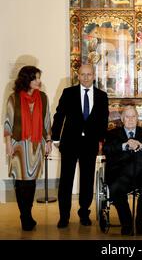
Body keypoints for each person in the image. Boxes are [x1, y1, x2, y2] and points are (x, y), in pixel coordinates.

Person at [51, 64, 109, 228]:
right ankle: (64, 216)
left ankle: (84, 213)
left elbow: (103, 121)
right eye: (82, 74)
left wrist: (101, 141)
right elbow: (59, 115)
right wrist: (56, 138)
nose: (85, 77)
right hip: (69, 142)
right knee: (66, 180)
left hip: (90, 144)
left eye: (89, 74)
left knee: (87, 179)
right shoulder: (68, 93)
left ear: (93, 75)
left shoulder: (101, 96)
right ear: (78, 75)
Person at [4, 66, 52, 230]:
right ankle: (24, 216)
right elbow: (8, 122)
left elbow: (47, 121)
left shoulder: (43, 97)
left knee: (31, 182)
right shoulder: (14, 98)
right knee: (20, 181)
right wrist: (8, 144)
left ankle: (27, 214)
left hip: (36, 145)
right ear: (27, 80)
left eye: (39, 78)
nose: (39, 81)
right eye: (36, 78)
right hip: (18, 145)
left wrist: (49, 141)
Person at [103, 105, 142, 235]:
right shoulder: (113, 133)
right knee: (116, 185)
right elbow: (106, 150)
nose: (130, 119)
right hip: (120, 174)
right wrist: (124, 145)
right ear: (122, 119)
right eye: (127, 117)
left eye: (133, 116)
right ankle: (126, 222)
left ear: (137, 118)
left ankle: (139, 219)